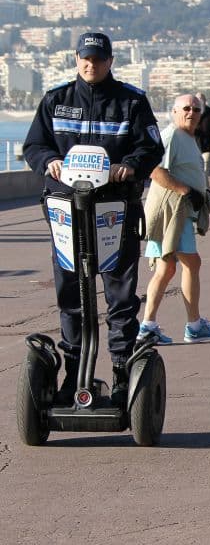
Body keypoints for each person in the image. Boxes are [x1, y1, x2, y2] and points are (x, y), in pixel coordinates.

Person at [23, 32, 164, 407]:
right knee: (71, 295)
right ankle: (73, 374)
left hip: (114, 210)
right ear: (76, 59)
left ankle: (121, 372)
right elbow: (34, 145)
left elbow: (151, 147)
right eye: (85, 58)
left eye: (98, 59)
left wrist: (129, 165)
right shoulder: (56, 100)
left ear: (110, 61)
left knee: (120, 295)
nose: (91, 64)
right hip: (67, 211)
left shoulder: (131, 101)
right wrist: (49, 161)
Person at [140, 94, 210, 344]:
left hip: (179, 212)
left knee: (166, 269)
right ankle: (194, 325)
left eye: (197, 110)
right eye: (186, 108)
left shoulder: (187, 137)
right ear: (175, 112)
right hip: (172, 212)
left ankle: (148, 326)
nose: (191, 113)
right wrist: (186, 191)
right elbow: (155, 170)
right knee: (191, 263)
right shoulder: (172, 136)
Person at [195, 93, 210, 175]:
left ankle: (204, 183)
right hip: (194, 145)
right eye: (198, 99)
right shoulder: (192, 111)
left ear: (205, 100)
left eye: (201, 99)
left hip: (207, 146)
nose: (200, 100)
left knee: (205, 169)